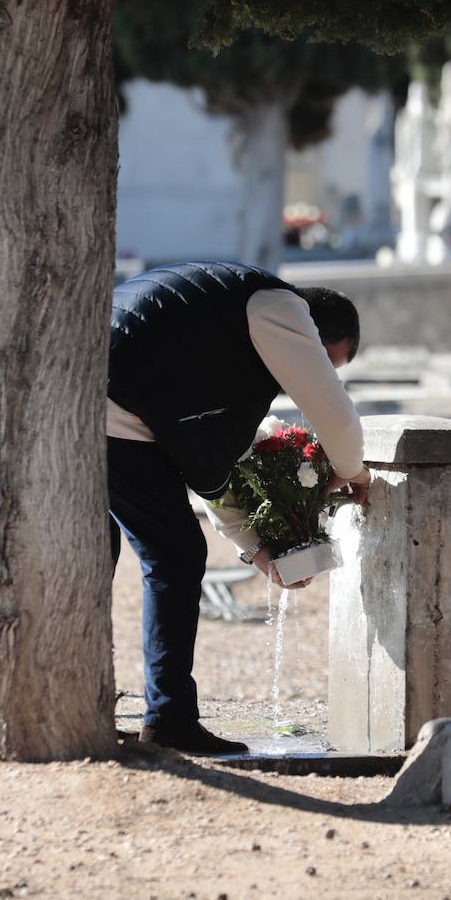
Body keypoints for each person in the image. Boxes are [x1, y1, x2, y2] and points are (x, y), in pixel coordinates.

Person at [107, 261, 371, 755]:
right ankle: (169, 719)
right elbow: (333, 413)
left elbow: (216, 465)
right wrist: (353, 471)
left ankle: (85, 706)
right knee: (175, 556)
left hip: (91, 392)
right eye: (325, 361)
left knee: (101, 553)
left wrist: (256, 549)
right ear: (313, 336)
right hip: (116, 404)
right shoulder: (280, 308)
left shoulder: (221, 333)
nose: (306, 378)